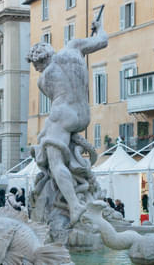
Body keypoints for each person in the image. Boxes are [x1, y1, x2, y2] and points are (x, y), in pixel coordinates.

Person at [26, 19, 108, 223]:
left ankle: (74, 205)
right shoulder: (73, 47)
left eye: (35, 65)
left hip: (63, 114)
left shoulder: (43, 78)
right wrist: (99, 27)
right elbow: (103, 41)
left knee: (54, 161)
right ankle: (76, 184)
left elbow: (55, 100)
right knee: (48, 138)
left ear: (39, 61)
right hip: (83, 114)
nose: (36, 69)